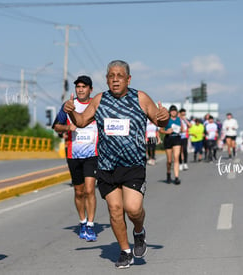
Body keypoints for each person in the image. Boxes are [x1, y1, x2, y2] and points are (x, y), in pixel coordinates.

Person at [63, 60, 169, 269]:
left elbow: (159, 121)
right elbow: (82, 121)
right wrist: (71, 111)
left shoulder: (140, 98)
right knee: (115, 209)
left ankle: (138, 231)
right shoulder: (100, 100)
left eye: (120, 76)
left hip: (133, 165)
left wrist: (164, 118)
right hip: (106, 165)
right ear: (106, 80)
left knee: (133, 209)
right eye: (111, 76)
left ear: (128, 79)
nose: (115, 79)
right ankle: (125, 251)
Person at [52, 75, 98, 242]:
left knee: (89, 190)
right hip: (74, 154)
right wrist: (67, 127)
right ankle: (82, 222)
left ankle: (91, 225)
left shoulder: (96, 105)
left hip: (93, 154)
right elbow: (56, 126)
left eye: (84, 86)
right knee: (79, 192)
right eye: (78, 86)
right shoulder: (69, 106)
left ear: (90, 89)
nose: (80, 89)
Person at [159, 105, 183, 184]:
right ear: (170, 112)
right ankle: (168, 173)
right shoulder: (167, 120)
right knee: (169, 161)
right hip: (168, 138)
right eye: (172, 111)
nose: (173, 112)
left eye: (175, 111)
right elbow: (161, 130)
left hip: (177, 138)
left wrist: (180, 130)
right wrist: (167, 131)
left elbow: (182, 129)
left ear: (176, 112)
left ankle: (176, 177)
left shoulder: (179, 119)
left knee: (176, 158)